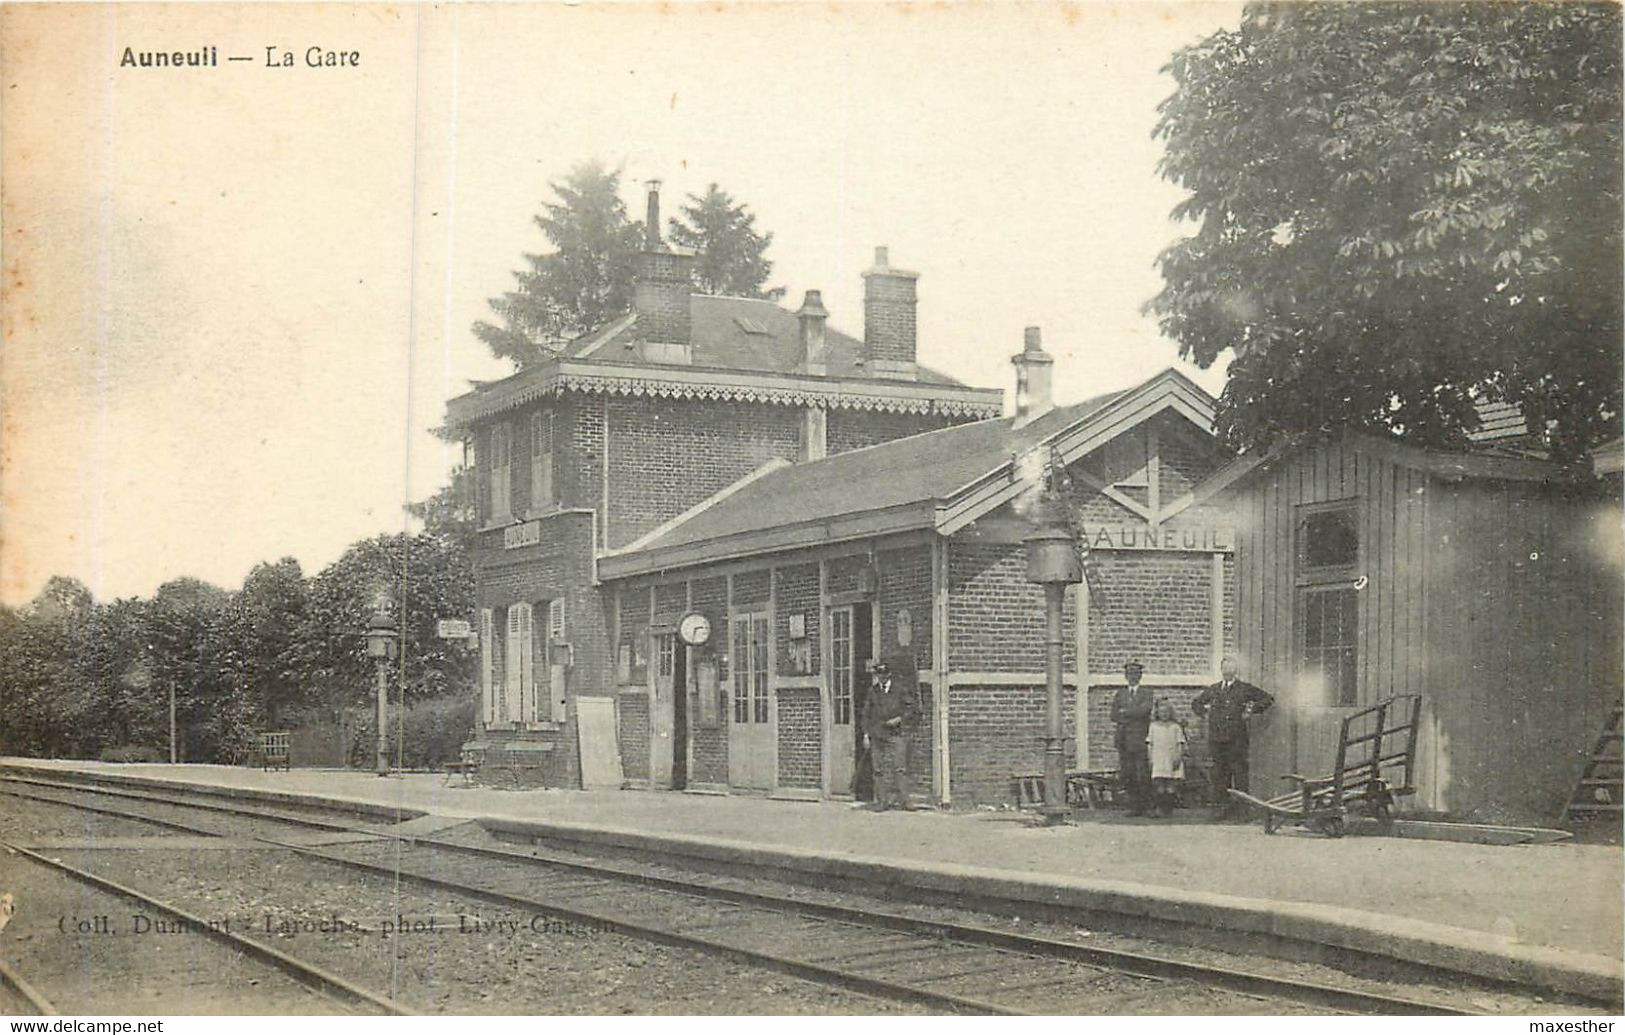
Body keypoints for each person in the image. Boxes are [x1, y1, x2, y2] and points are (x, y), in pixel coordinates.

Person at [1190, 656, 1275, 818]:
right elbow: (1196, 703)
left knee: (1239, 772)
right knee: (1219, 773)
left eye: (1231, 668)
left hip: (1236, 738)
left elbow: (1268, 698)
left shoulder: (1244, 688)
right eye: (1225, 668)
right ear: (1221, 670)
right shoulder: (1214, 689)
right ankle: (1222, 809)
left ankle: (1242, 810)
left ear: (1236, 670)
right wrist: (1205, 713)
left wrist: (1251, 710)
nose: (1228, 671)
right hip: (1217, 739)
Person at [861, 659, 920, 811]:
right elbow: (866, 714)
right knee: (878, 769)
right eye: (879, 674)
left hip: (895, 733)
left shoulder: (900, 690)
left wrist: (900, 719)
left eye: (884, 674)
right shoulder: (872, 691)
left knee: (900, 767)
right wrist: (866, 735)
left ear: (889, 674)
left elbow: (912, 708)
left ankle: (905, 801)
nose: (881, 677)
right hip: (877, 733)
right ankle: (882, 801)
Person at [1110, 660, 1155, 816]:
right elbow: (1114, 715)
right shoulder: (1120, 694)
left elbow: (1144, 711)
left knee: (1142, 773)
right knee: (1128, 773)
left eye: (1135, 673)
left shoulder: (1147, 693)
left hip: (1140, 738)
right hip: (1123, 739)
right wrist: (1130, 712)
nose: (1132, 676)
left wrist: (1126, 712)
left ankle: (1147, 805)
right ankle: (1134, 806)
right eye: (1129, 673)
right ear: (1125, 675)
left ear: (1140, 675)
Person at [1145, 698, 1188, 818]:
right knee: (1159, 784)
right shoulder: (1153, 726)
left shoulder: (1175, 727)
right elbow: (1150, 743)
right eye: (1161, 712)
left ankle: (1168, 809)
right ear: (1157, 713)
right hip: (1158, 757)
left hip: (1171, 757)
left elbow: (1180, 743)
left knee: (1171, 784)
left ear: (1170, 713)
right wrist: (1150, 758)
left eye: (1166, 712)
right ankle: (1159, 808)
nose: (1164, 714)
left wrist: (1178, 757)